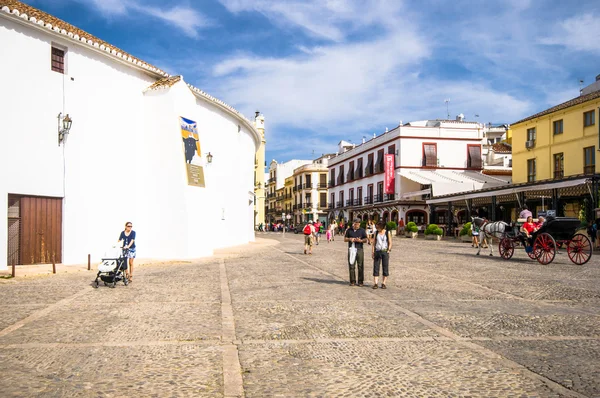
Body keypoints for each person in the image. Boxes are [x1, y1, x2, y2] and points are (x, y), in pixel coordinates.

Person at [344, 218, 368, 286]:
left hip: (359, 249)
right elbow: (345, 239)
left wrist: (360, 240)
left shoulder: (362, 230)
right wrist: (350, 239)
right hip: (351, 249)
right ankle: (352, 281)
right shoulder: (349, 230)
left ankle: (360, 281)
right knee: (351, 265)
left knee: (360, 265)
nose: (357, 225)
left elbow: (366, 239)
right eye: (355, 224)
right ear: (353, 223)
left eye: (358, 224)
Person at [372, 221, 392, 289]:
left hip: (384, 251)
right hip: (377, 251)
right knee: (376, 267)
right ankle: (376, 283)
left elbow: (390, 242)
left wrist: (389, 250)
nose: (377, 228)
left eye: (378, 227)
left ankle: (383, 283)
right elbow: (374, 243)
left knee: (385, 267)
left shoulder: (387, 233)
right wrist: (373, 252)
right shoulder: (376, 232)